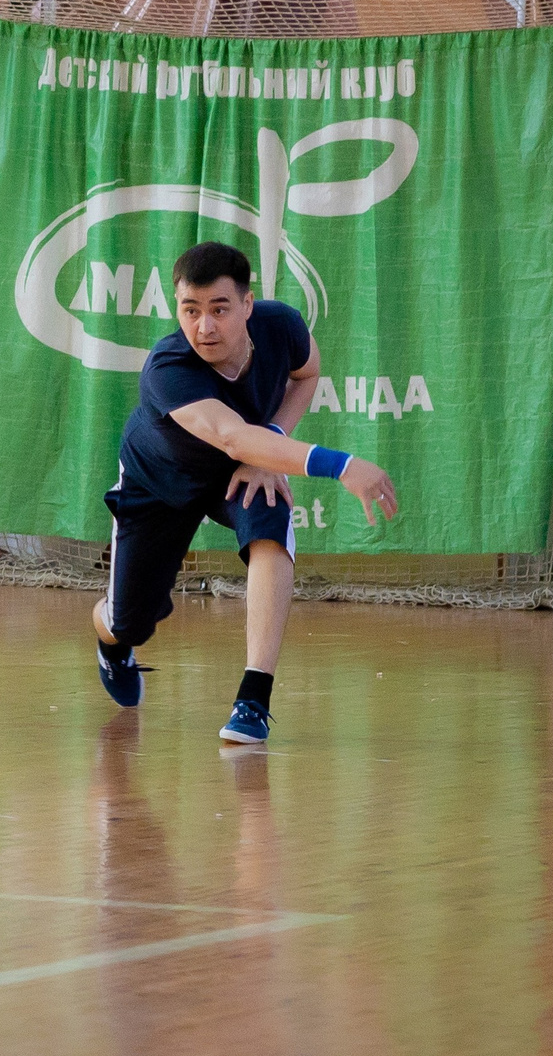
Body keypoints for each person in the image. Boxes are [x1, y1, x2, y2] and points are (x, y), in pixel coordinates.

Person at [96, 240, 401, 744]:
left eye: (218, 309)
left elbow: (307, 374)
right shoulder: (168, 368)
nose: (204, 327)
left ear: (247, 304)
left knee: (271, 520)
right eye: (189, 311)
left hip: (238, 472)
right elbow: (232, 435)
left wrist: (274, 442)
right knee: (129, 621)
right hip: (158, 485)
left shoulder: (282, 326)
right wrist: (341, 465)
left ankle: (253, 698)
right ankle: (113, 641)